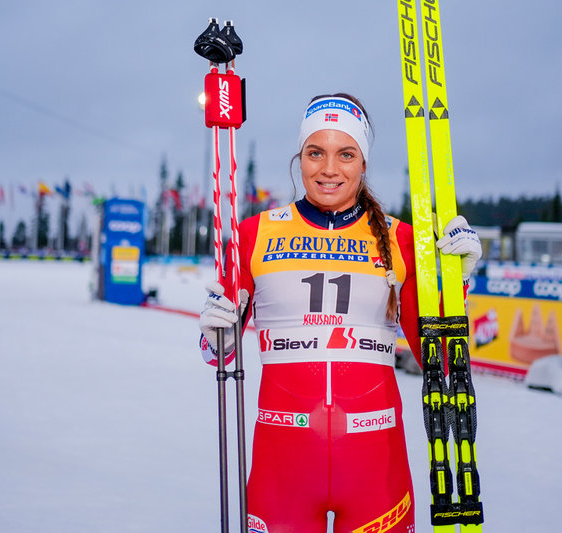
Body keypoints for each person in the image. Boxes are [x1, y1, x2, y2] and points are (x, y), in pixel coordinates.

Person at [198, 93, 481, 532]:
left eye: (345, 154)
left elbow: (439, 361)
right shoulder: (255, 233)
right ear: (301, 157)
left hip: (375, 469)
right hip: (283, 469)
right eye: (316, 153)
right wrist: (219, 333)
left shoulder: (401, 240)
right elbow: (218, 356)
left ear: (363, 162)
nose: (329, 169)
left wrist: (456, 281)